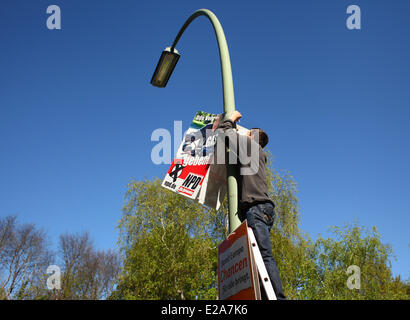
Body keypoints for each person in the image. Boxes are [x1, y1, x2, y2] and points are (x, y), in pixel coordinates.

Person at [217, 110, 286, 300]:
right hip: (262, 209)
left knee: (264, 257)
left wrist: (230, 119)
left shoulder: (251, 147)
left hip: (256, 209)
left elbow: (226, 135)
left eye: (248, 134)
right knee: (257, 261)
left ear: (253, 137)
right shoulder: (258, 153)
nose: (245, 135)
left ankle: (277, 298)